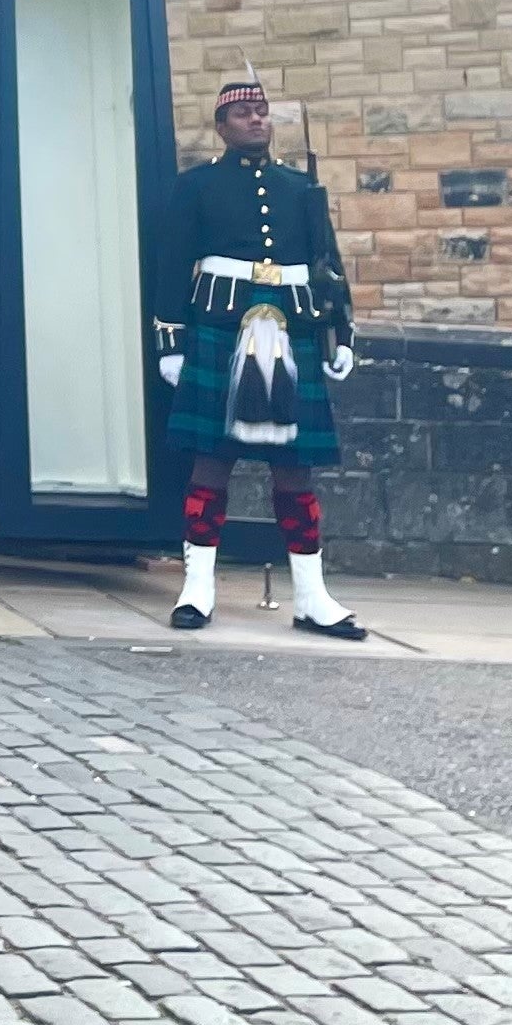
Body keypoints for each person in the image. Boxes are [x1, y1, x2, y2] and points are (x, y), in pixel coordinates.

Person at [151, 72, 363, 639]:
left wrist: (340, 334)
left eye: (263, 111)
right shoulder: (196, 187)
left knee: (296, 472)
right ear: (222, 127)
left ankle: (313, 598)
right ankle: (197, 590)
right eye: (244, 113)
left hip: (290, 330)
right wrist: (171, 341)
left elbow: (329, 268)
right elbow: (171, 267)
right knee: (209, 462)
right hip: (220, 326)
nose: (257, 119)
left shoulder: (300, 189)